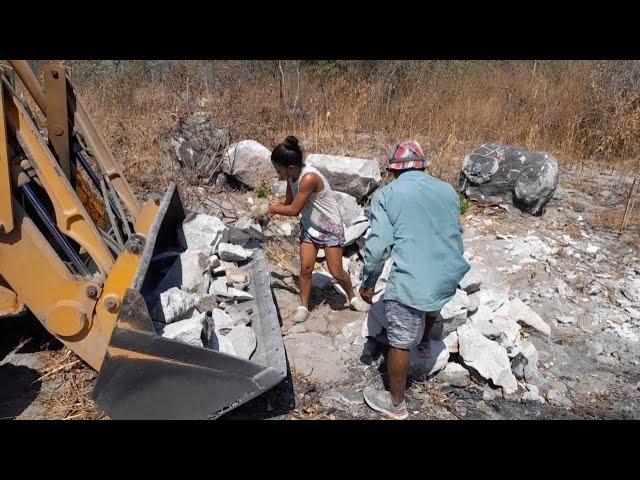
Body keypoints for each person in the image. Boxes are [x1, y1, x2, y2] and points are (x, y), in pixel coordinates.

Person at [358, 140, 470, 420]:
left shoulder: (386, 195)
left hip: (414, 281)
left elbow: (376, 249)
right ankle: (423, 344)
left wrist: (368, 283)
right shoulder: (447, 190)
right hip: (448, 274)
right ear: (422, 165)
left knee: (398, 339)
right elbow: (455, 231)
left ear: (394, 170)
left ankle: (396, 404)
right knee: (429, 301)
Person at [251, 136, 369, 324]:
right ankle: (304, 306)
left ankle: (352, 297)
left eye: (278, 169)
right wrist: (268, 211)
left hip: (330, 228)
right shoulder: (292, 177)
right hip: (310, 227)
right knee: (306, 268)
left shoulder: (309, 178)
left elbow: (294, 210)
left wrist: (269, 209)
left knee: (336, 271)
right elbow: (288, 201)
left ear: (290, 167)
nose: (277, 173)